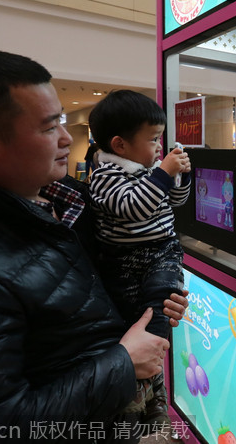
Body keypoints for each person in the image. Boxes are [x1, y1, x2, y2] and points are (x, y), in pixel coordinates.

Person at [0, 51, 188, 444]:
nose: (66, 139)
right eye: (48, 128)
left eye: (60, 120)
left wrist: (148, 305)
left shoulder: (65, 201)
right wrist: (122, 363)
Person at [88, 90, 191, 429]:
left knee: (158, 309)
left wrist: (180, 176)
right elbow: (133, 207)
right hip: (124, 260)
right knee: (137, 321)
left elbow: (174, 201)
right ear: (120, 145)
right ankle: (142, 390)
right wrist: (162, 173)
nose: (159, 147)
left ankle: (147, 390)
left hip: (163, 249)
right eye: (152, 139)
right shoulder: (105, 175)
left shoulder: (150, 169)